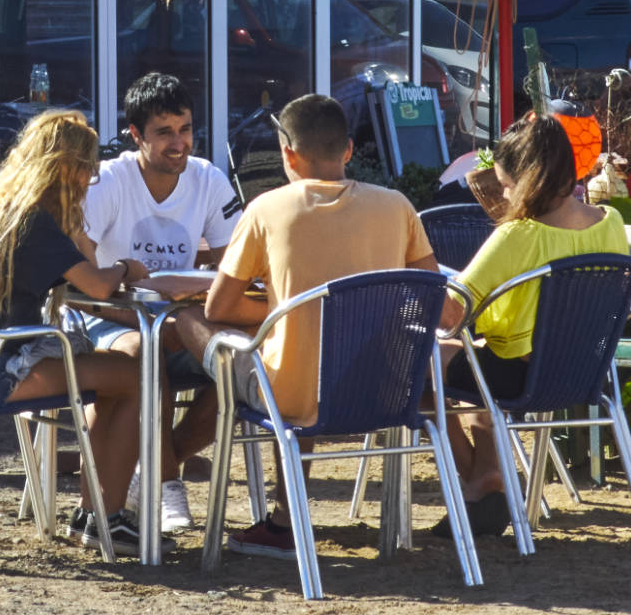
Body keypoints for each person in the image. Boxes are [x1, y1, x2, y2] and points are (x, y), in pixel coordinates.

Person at [174, 93, 443, 560]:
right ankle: (277, 516)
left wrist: (290, 310)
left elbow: (218, 307)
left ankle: (177, 476)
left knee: (191, 319)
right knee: (304, 346)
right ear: (349, 151)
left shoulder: (266, 208)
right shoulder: (397, 206)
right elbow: (433, 297)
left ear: (287, 155)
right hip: (382, 389)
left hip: (292, 396)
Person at [0, 110, 153, 556]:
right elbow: (97, 285)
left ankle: (97, 513)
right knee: (136, 377)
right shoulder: (34, 220)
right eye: (88, 167)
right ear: (65, 167)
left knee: (112, 375)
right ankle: (103, 517)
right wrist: (128, 267)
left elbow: (73, 286)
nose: (92, 178)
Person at [439, 112, 626, 541]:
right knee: (484, 357)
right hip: (582, 372)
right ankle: (486, 474)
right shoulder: (610, 223)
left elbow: (452, 313)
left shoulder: (519, 235)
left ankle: (478, 480)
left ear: (528, 179)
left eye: (506, 184)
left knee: (420, 362)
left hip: (519, 374)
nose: (503, 193)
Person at [76, 72, 240, 531]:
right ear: (135, 135)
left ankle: (155, 464)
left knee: (240, 362)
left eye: (185, 129)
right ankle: (167, 484)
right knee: (147, 351)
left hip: (175, 320)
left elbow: (239, 269)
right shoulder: (108, 181)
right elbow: (79, 279)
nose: (178, 143)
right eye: (164, 132)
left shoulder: (208, 178)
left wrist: (199, 291)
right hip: (105, 319)